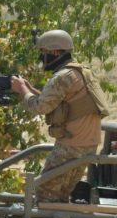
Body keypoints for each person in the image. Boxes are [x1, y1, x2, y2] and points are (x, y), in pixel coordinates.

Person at [11, 29, 110, 203]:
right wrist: (29, 88)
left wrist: (21, 89)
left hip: (71, 146)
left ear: (56, 52)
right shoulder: (81, 71)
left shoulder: (63, 76)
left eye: (44, 53)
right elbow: (55, 102)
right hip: (87, 145)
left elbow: (39, 107)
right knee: (61, 195)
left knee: (45, 193)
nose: (41, 58)